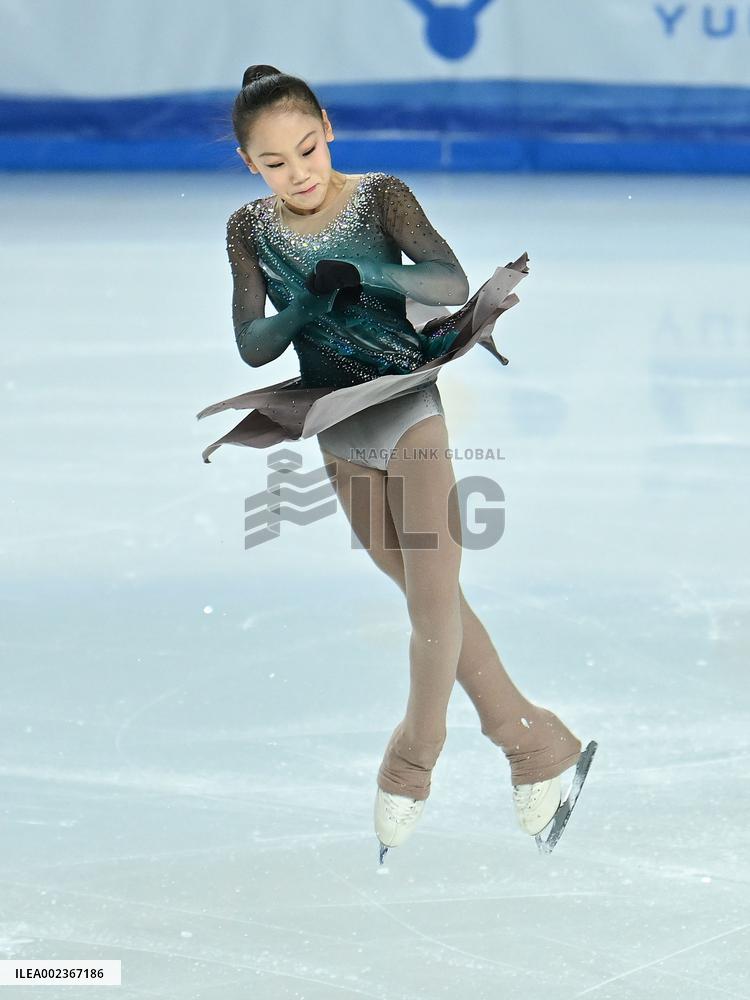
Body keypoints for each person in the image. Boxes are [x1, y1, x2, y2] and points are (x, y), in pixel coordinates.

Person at [197, 64, 595, 862]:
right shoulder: (249, 228)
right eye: (275, 163)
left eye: (307, 149)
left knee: (430, 608)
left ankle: (412, 761)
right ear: (250, 165)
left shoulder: (381, 196)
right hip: (337, 427)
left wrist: (370, 273)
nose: (298, 172)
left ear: (328, 130)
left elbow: (446, 281)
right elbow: (249, 344)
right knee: (430, 595)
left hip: (410, 409)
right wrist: (307, 305)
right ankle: (537, 742)